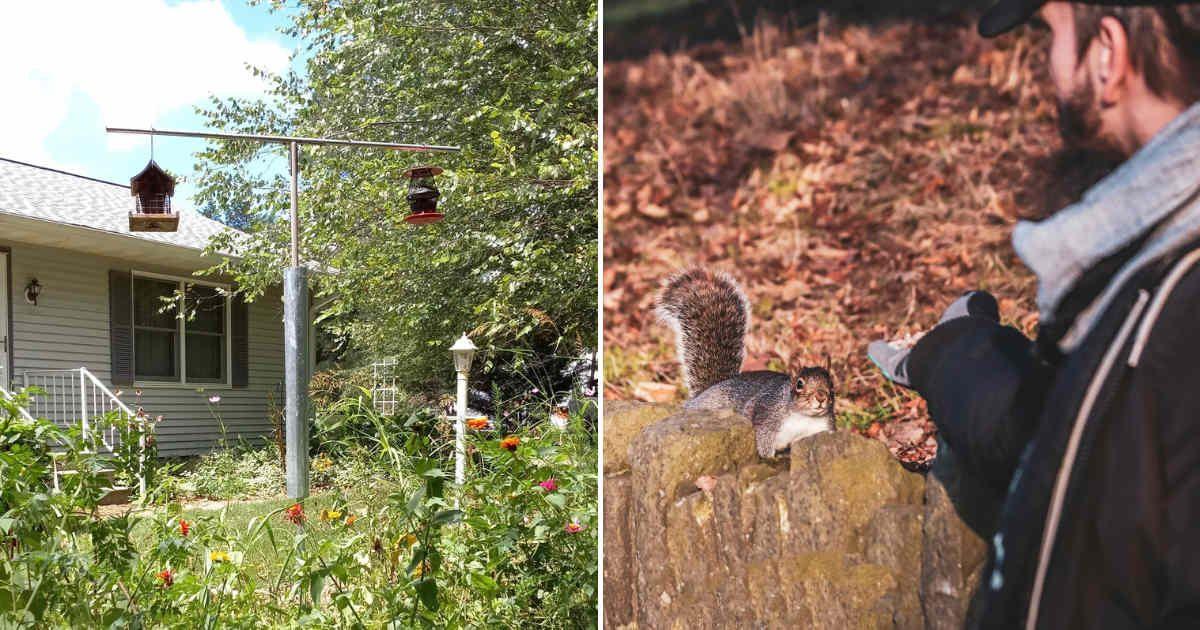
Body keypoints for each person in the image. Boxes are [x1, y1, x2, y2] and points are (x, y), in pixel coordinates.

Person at [867, 2, 1200, 628]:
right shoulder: (1143, 275)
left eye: (1050, 35)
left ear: (1108, 55)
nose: (1046, 68)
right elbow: (1046, 428)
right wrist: (950, 352)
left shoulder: (1176, 309)